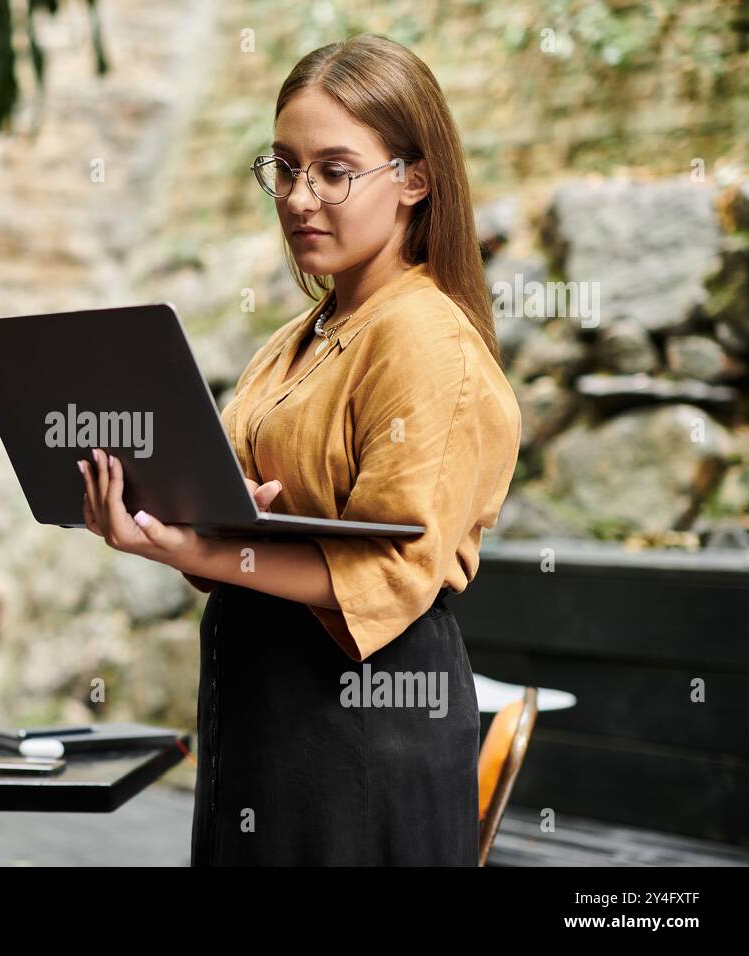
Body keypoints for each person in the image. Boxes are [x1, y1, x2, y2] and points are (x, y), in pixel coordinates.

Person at [77, 33, 522, 865]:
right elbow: (249, 528)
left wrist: (211, 550)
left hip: (363, 727)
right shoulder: (296, 339)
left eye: (334, 170)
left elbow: (389, 578)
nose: (299, 197)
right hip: (264, 715)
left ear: (415, 180)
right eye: (284, 167)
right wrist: (179, 521)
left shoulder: (426, 340)